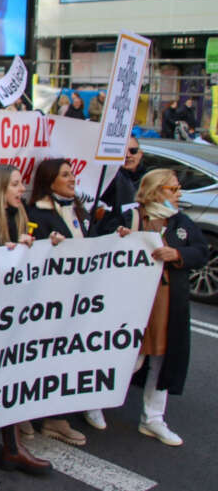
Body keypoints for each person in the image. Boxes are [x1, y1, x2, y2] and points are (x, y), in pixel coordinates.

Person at [93, 169, 208, 445]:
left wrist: (178, 254)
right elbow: (101, 243)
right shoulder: (131, 215)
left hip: (166, 303)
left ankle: (153, 418)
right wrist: (120, 236)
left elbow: (201, 251)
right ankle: (94, 401)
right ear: (155, 191)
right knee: (126, 355)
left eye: (178, 189)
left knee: (161, 358)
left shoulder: (181, 222)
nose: (178, 194)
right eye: (172, 189)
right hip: (129, 299)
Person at [0, 164, 53, 474]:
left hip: (10, 313)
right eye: (16, 185)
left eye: (22, 184)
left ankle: (13, 445)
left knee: (9, 374)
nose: (23, 190)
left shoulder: (18, 216)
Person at [25, 158, 94, 446]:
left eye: (72, 173)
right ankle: (32, 415)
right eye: (65, 174)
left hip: (76, 297)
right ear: (49, 180)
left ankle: (56, 416)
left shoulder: (78, 208)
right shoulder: (36, 214)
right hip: (48, 301)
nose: (72, 178)